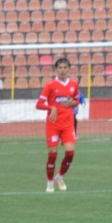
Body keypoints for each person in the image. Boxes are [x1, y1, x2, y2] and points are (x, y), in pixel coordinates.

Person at [36, 56, 81, 192]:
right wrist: (51, 108)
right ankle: (50, 182)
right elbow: (38, 104)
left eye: (65, 68)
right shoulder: (50, 85)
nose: (62, 70)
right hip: (53, 125)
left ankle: (59, 177)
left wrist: (72, 102)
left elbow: (77, 100)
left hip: (68, 125)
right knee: (53, 155)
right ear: (56, 69)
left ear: (69, 69)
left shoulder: (73, 84)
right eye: (60, 68)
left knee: (70, 153)